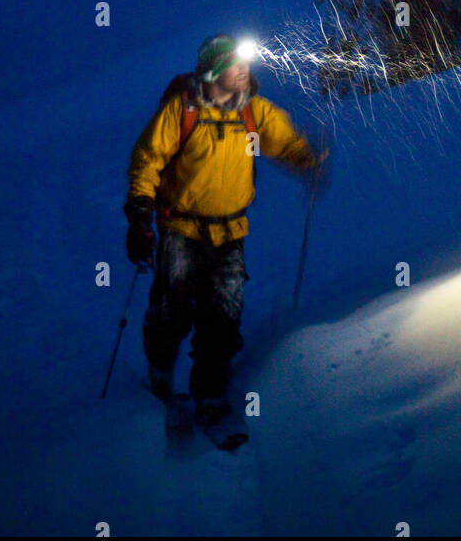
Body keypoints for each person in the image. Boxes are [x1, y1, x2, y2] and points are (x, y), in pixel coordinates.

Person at [124, 33, 325, 428]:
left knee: (223, 315)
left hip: (231, 231)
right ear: (214, 70)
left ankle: (209, 392)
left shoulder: (253, 112)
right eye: (235, 65)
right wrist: (139, 214)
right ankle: (160, 376)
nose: (243, 71)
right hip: (181, 228)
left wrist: (307, 160)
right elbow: (147, 161)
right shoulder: (182, 111)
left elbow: (282, 143)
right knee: (172, 310)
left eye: (244, 64)